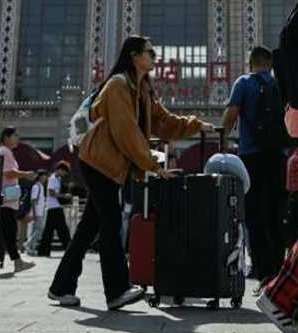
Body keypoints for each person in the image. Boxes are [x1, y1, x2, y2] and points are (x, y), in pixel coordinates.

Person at [47, 35, 214, 310]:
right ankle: (117, 290)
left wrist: (196, 125)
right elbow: (126, 132)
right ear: (135, 55)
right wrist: (152, 164)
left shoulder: (143, 88)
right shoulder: (118, 85)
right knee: (111, 222)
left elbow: (164, 122)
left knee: (90, 226)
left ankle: (61, 286)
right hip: (98, 161)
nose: (155, 57)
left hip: (113, 164)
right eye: (150, 52)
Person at [223, 45, 289, 290]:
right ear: (270, 64)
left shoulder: (244, 83)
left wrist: (222, 145)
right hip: (278, 157)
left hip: (251, 156)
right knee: (276, 213)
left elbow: (230, 117)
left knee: (254, 214)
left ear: (250, 63)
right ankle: (279, 271)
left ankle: (263, 273)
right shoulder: (280, 84)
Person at [0, 127, 38, 272]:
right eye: (15, 135)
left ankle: (7, 260)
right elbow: (7, 173)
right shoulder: (4, 152)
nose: (18, 138)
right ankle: (16, 261)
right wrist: (25, 174)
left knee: (7, 231)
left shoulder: (7, 152)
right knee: (9, 230)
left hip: (8, 198)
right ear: (7, 137)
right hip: (5, 199)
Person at [37, 162, 73, 257]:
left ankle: (43, 251)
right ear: (59, 169)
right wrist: (64, 196)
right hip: (54, 207)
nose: (64, 174)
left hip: (54, 207)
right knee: (63, 230)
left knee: (49, 231)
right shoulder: (53, 179)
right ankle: (70, 250)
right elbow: (51, 192)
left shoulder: (58, 179)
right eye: (64, 171)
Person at [24, 170, 49, 256]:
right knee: (39, 229)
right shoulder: (36, 186)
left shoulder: (41, 186)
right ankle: (28, 244)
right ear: (40, 176)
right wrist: (34, 212)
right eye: (45, 176)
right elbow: (33, 200)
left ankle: (30, 249)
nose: (46, 178)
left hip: (40, 211)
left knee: (35, 230)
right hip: (37, 212)